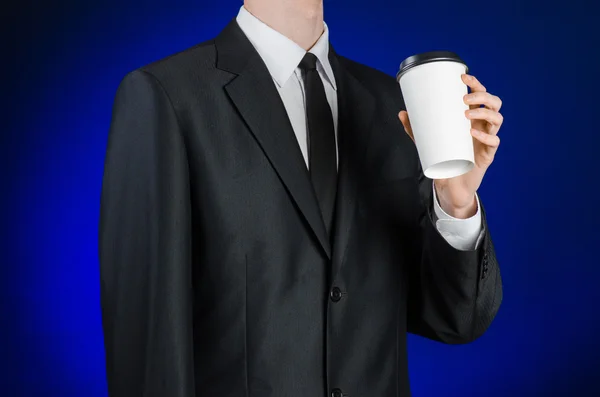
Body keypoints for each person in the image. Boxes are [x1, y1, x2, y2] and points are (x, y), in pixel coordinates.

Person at [99, 0, 504, 396]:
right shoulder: (167, 95)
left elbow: (456, 321)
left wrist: (456, 202)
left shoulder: (394, 106)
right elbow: (148, 345)